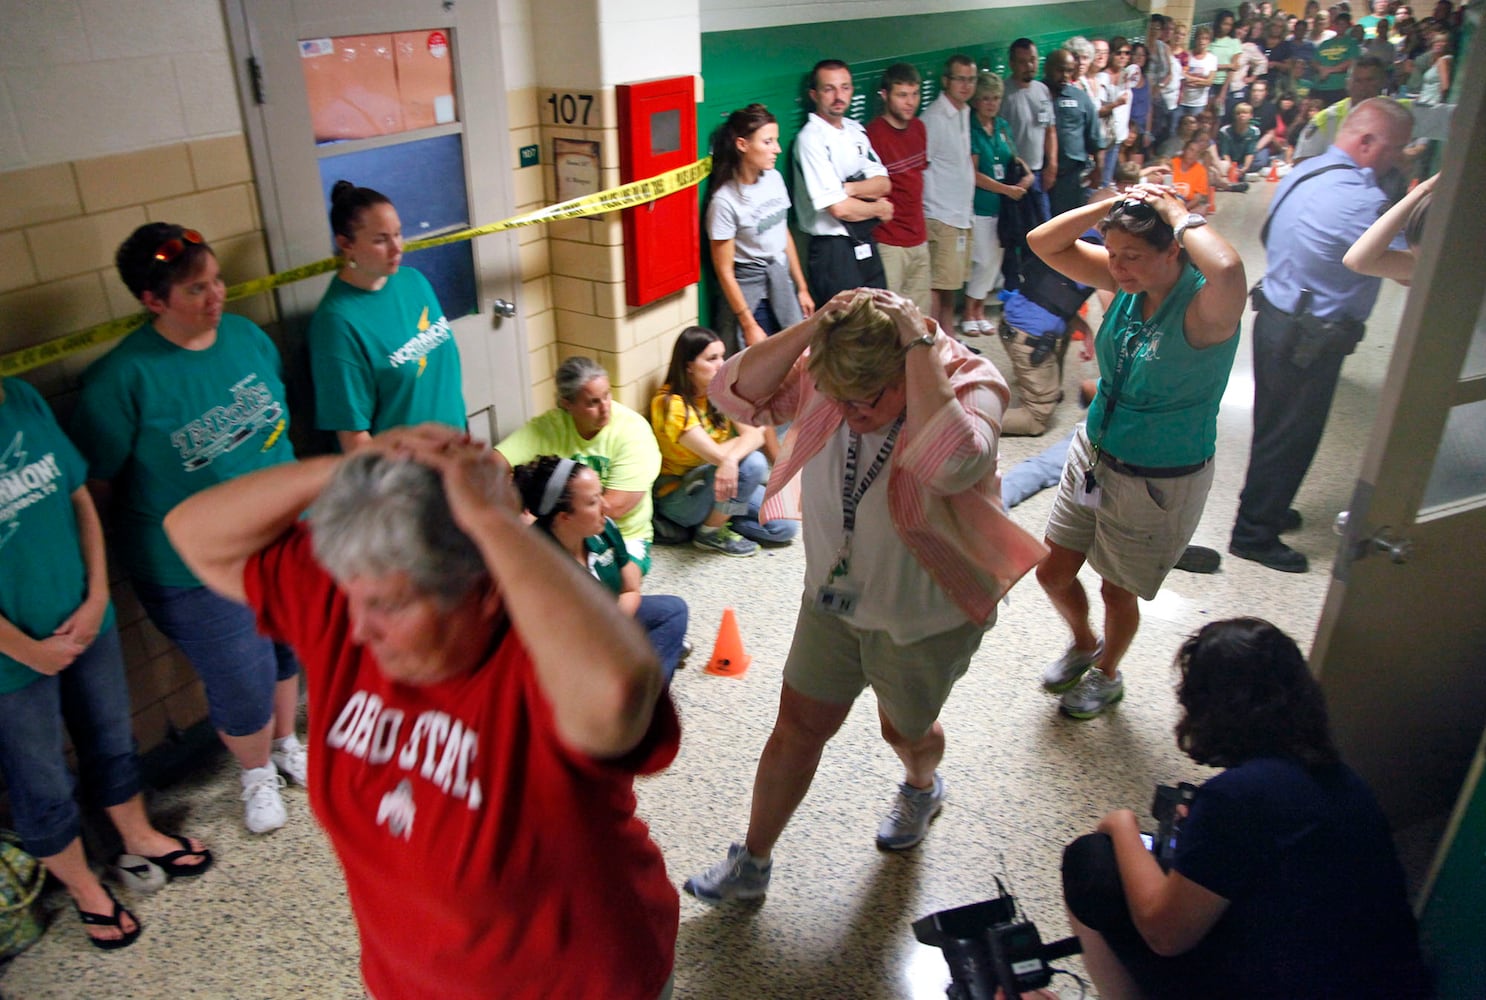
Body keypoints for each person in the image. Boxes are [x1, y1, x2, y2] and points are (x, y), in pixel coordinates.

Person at [162, 425, 679, 1000]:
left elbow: (621, 692)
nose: (356, 627)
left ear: (483, 591)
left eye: (387, 606)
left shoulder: (543, 653)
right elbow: (192, 534)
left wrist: (494, 522)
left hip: (583, 982)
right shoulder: (361, 590)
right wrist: (363, 466)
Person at [682, 288, 1046, 902]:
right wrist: (812, 329)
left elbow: (953, 464)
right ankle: (753, 861)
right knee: (796, 727)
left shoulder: (968, 379)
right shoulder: (838, 372)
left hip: (923, 613)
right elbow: (731, 393)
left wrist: (919, 346)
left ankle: (921, 786)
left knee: (902, 731)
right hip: (832, 597)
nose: (849, 412)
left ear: (905, 363)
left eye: (867, 400)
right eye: (837, 397)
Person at [70, 224, 304, 834]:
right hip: (192, 567)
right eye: (196, 289)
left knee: (285, 648)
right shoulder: (121, 382)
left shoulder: (248, 339)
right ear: (153, 301)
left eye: (217, 279)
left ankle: (286, 743)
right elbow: (96, 487)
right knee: (240, 673)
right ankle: (254, 776)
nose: (216, 296)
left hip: (280, 541)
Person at [1061, 618, 1431, 998]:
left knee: (1093, 862)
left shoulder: (1236, 798)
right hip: (1381, 982)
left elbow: (1164, 934)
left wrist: (1123, 826)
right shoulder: (1343, 780)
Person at [0, 376, 212, 950]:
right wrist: (29, 650)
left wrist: (97, 594)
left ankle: (135, 834)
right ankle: (85, 889)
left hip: (85, 617)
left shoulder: (21, 398)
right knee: (38, 776)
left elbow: (78, 497)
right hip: (10, 658)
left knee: (112, 735)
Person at [1027, 185, 1246, 719]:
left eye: (1134, 256)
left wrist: (1176, 211)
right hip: (1096, 453)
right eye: (1113, 252)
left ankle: (1107, 674)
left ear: (1174, 249)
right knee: (1052, 572)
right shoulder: (1128, 279)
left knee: (1116, 591)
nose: (1119, 268)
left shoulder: (1204, 307)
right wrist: (1112, 208)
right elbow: (1042, 242)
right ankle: (1084, 643)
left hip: (1157, 476)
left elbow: (1232, 272)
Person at [1230, 98, 1414, 573]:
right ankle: (1254, 534)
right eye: (1394, 149)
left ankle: (1267, 505)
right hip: (1309, 336)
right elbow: (1410, 271)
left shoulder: (1304, 170)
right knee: (1292, 435)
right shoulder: (1361, 200)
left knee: (1274, 427)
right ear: (1367, 142)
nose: (1399, 157)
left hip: (1276, 313)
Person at [307, 182, 466, 452]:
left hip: (455, 453)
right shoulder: (337, 323)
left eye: (398, 234)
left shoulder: (414, 281)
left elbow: (442, 382)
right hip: (407, 478)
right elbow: (355, 439)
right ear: (346, 244)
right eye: (381, 240)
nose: (396, 248)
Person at [513, 455, 689, 684]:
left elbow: (630, 589)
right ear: (564, 517)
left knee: (672, 611)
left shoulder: (603, 528)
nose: (606, 506)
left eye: (601, 494)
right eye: (593, 501)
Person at [495, 356, 661, 570]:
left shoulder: (632, 431)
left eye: (607, 396)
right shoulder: (550, 426)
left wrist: (538, 525)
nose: (605, 407)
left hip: (619, 533)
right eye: (593, 402)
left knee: (599, 588)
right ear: (567, 403)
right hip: (562, 532)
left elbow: (614, 507)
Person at [649, 326, 797, 556]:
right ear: (688, 366)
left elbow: (756, 434)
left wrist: (729, 459)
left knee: (783, 528)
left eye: (722, 356)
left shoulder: (719, 391)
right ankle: (709, 533)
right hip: (681, 496)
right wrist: (728, 458)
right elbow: (713, 455)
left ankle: (718, 518)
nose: (722, 364)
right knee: (754, 463)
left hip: (722, 481)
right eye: (712, 359)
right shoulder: (669, 404)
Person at [705, 104, 814, 357]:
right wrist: (749, 323)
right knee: (759, 368)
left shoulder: (773, 178)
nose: (777, 148)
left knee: (795, 359)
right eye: (768, 142)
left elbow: (782, 233)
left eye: (775, 141)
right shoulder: (725, 201)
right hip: (752, 295)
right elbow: (724, 271)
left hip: (780, 282)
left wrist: (801, 287)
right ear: (742, 145)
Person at [793, 59, 893, 304]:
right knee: (845, 328)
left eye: (845, 87)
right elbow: (839, 208)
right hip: (832, 249)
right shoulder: (811, 139)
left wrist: (849, 189)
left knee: (882, 314)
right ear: (814, 94)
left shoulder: (854, 129)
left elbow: (883, 183)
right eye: (829, 89)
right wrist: (877, 208)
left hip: (863, 239)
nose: (839, 96)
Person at [966, 72, 1033, 338]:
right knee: (982, 260)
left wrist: (1027, 177)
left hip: (1005, 208)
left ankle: (980, 311)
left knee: (995, 260)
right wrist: (1005, 189)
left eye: (995, 98)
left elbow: (1013, 159)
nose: (991, 104)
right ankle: (969, 312)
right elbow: (973, 173)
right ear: (976, 101)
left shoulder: (1003, 126)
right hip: (981, 204)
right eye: (985, 99)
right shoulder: (970, 128)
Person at [865, 64, 932, 316]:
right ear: (884, 95)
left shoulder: (919, 128)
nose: (910, 102)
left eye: (915, 94)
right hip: (889, 241)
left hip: (918, 236)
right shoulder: (872, 135)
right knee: (887, 318)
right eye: (902, 95)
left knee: (920, 317)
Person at [923, 55, 979, 337]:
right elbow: (923, 166)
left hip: (960, 213)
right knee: (938, 283)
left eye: (971, 79)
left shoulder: (964, 112)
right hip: (940, 214)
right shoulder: (934, 118)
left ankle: (950, 342)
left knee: (951, 284)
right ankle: (936, 344)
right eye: (960, 79)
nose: (966, 85)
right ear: (946, 81)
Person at [1000, 39, 1058, 290]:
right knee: (1015, 233)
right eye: (1022, 62)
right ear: (1012, 64)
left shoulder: (1042, 91)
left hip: (1038, 173)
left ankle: (1039, 283)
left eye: (1033, 60)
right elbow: (998, 135)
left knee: (1043, 229)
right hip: (1015, 177)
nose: (1029, 66)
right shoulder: (1004, 93)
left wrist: (1051, 164)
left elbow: (1050, 130)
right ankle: (1013, 284)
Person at [1343, 172, 1434, 282]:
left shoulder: (1438, 261)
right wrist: (1422, 189)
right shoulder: (1430, 262)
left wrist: (1423, 190)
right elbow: (1356, 261)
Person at [1046, 49, 1104, 218]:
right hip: (1041, 175)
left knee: (1069, 225)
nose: (1064, 75)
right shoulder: (1037, 93)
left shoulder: (1080, 98)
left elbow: (1095, 137)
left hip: (1072, 176)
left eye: (1069, 70)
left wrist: (1099, 168)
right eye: (1060, 70)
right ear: (1048, 68)